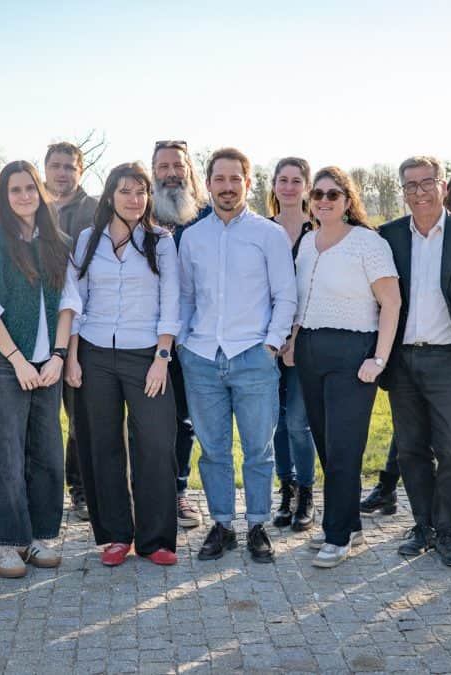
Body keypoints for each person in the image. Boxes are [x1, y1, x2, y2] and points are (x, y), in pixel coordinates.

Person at [361, 161, 451, 517]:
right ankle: (424, 527)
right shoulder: (389, 236)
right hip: (404, 360)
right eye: (410, 185)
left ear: (443, 186)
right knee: (410, 451)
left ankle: (447, 529)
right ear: (403, 191)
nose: (419, 191)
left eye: (427, 182)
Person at [177, 148, 296, 563]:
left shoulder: (269, 235)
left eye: (235, 179)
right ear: (208, 184)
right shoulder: (192, 238)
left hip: (254, 357)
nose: (227, 187)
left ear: (248, 183)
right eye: (219, 179)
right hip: (202, 358)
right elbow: (186, 297)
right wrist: (183, 344)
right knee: (212, 450)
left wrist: (271, 344)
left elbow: (285, 296)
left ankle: (258, 525)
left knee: (259, 450)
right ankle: (223, 524)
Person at [65, 162, 180, 566]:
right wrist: (72, 357)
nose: (134, 199)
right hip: (94, 353)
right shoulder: (86, 240)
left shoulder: (160, 242)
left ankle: (157, 539)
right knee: (101, 444)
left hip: (145, 355)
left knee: (155, 442)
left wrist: (162, 359)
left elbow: (171, 302)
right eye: (126, 191)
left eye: (141, 192)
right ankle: (115, 535)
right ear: (110, 195)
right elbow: (74, 300)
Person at [0, 160, 81, 578]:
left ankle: (35, 537)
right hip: (3, 363)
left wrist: (56, 356)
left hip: (47, 363)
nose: (23, 196)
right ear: (4, 196)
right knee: (7, 453)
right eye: (14, 190)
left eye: (29, 188)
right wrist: (17, 361)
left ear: (41, 191)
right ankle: (4, 543)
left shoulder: (59, 242)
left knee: (47, 452)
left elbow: (69, 303)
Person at [286, 168, 400, 568]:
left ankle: (337, 536)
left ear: (348, 201)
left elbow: (391, 302)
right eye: (317, 193)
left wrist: (379, 359)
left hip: (353, 351)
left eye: (333, 194)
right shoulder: (306, 243)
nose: (323, 200)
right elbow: (303, 300)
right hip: (311, 351)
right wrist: (294, 341)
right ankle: (348, 521)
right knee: (325, 445)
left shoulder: (367, 243)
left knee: (343, 447)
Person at [151, 140, 212, 529]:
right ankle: (148, 492)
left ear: (189, 170)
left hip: (194, 335)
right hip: (148, 336)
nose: (171, 172)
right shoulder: (141, 209)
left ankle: (178, 491)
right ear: (153, 170)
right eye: (163, 166)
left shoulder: (206, 214)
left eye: (178, 165)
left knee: (184, 421)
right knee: (148, 419)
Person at [44, 142, 98, 521]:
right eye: (56, 166)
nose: (62, 173)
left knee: (82, 417)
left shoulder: (94, 210)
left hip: (82, 326)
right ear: (45, 170)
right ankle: (44, 490)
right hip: (40, 325)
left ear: (80, 171)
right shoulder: (32, 207)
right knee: (43, 418)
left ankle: (81, 491)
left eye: (69, 167)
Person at [266, 157, 318, 531]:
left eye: (295, 180)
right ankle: (285, 489)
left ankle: (306, 490)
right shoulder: (261, 229)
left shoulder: (318, 231)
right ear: (272, 185)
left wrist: (295, 339)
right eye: (282, 180)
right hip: (267, 341)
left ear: (306, 186)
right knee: (276, 423)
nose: (288, 187)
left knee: (299, 421)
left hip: (305, 341)